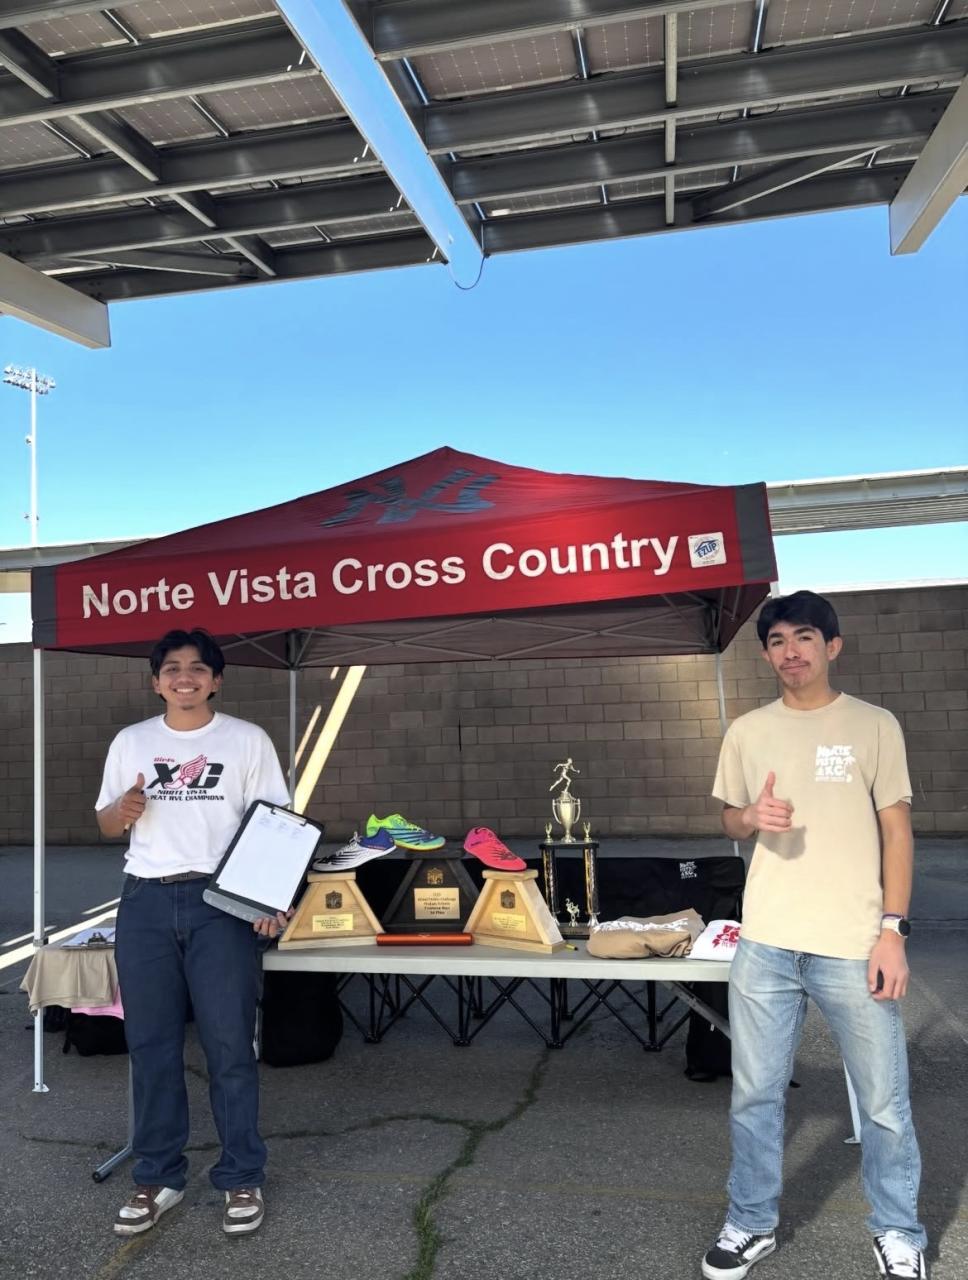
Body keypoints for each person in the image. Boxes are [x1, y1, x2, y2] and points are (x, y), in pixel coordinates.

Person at [703, 591, 927, 1280]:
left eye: (804, 637)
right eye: (776, 641)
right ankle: (751, 1222)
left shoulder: (874, 725)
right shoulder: (747, 731)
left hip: (853, 943)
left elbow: (897, 832)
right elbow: (728, 818)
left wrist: (892, 931)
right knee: (755, 1095)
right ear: (767, 654)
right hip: (767, 943)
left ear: (832, 646)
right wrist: (750, 817)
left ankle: (898, 1231)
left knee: (883, 1103)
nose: (790, 651)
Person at [95, 628, 290, 1238]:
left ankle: (241, 1176)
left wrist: (268, 898)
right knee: (151, 1045)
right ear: (157, 682)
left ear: (216, 680)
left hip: (221, 903)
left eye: (198, 668)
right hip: (146, 901)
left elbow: (275, 823)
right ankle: (158, 1176)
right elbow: (105, 822)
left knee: (229, 1045)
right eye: (173, 668)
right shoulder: (131, 741)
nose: (186, 677)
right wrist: (121, 812)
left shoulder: (246, 739)